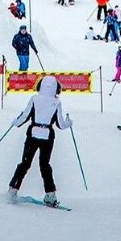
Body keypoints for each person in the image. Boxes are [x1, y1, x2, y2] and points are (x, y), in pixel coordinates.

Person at [8, 75, 73, 207]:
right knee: (45, 165)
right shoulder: (56, 103)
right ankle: (50, 194)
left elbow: (25, 116)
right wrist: (69, 123)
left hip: (33, 134)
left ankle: (13, 190)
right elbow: (60, 124)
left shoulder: (34, 99)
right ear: (56, 88)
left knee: (25, 163)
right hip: (47, 136)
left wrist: (16, 123)